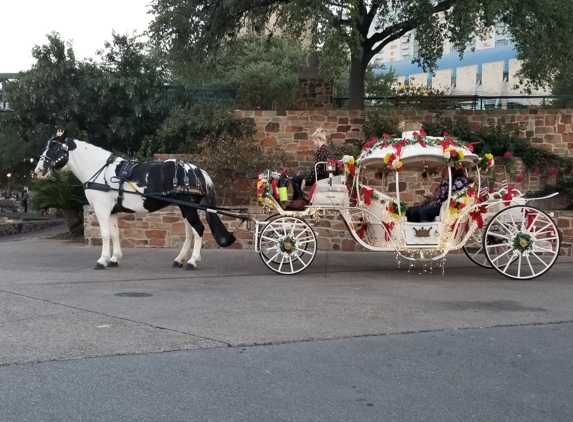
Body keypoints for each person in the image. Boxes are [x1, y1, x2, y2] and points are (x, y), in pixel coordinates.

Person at [290, 128, 335, 201]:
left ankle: (299, 201)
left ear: (317, 139)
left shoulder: (321, 150)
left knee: (294, 180)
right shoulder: (328, 149)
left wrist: (305, 179)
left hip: (321, 177)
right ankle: (295, 202)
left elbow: (316, 168)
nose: (313, 143)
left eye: (314, 141)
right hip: (326, 177)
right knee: (297, 180)